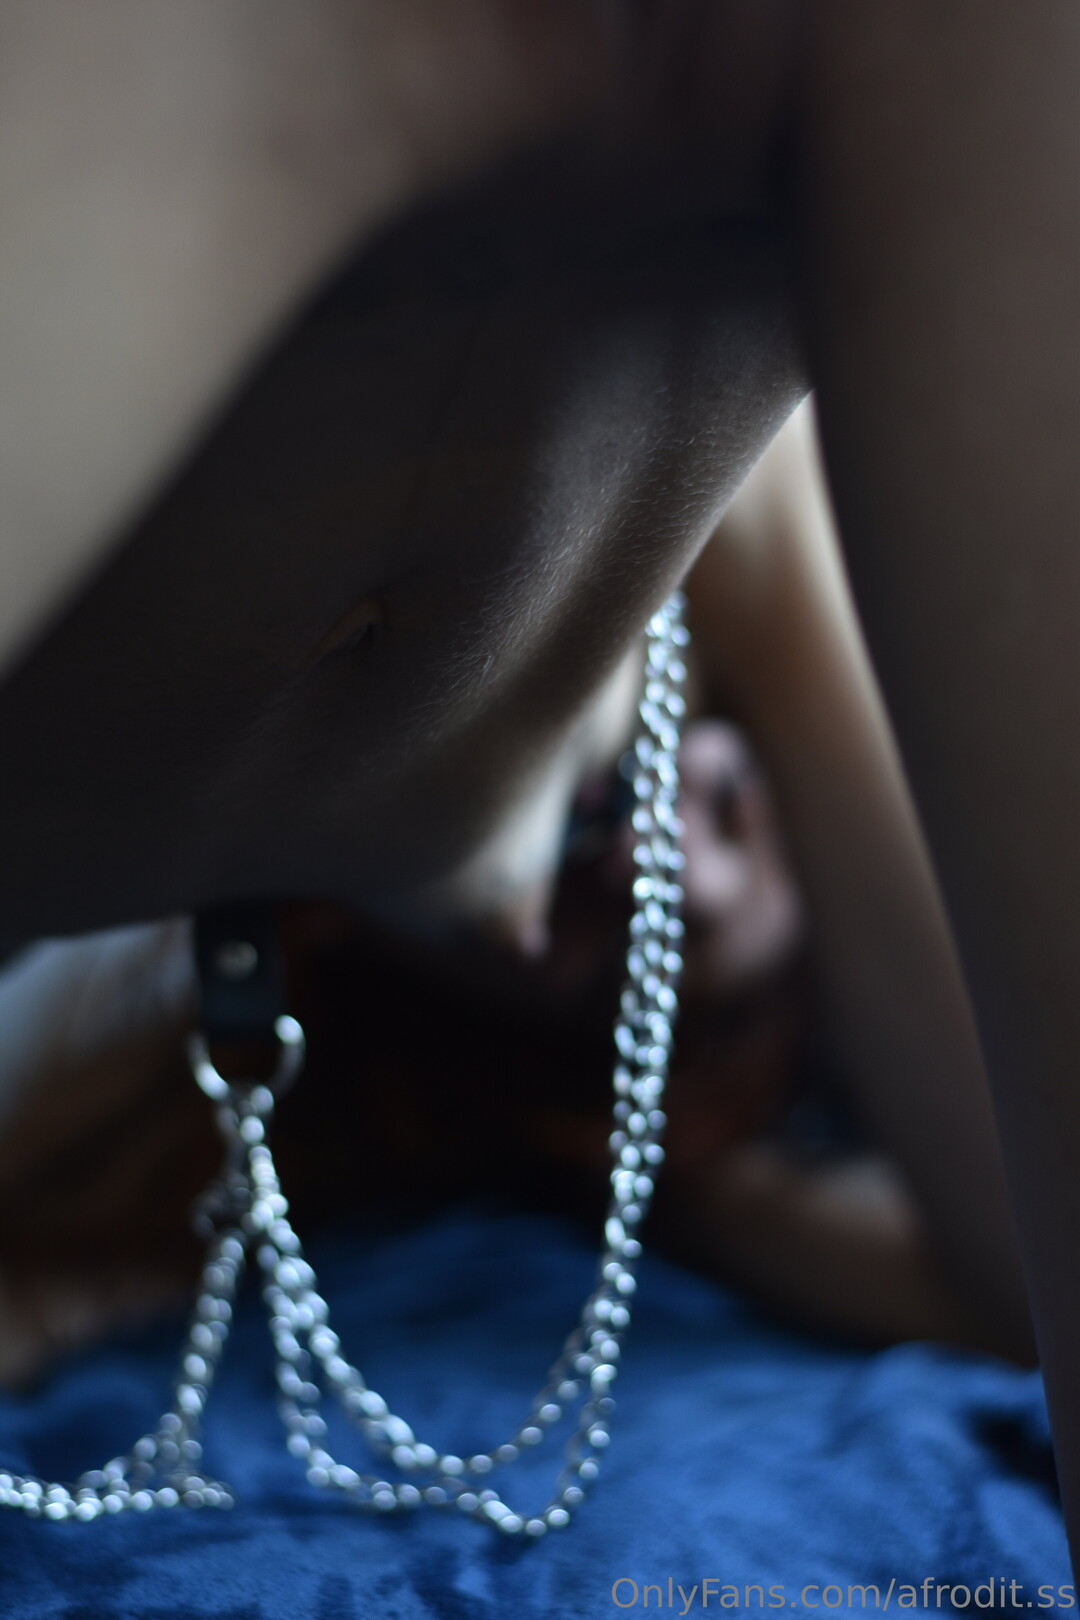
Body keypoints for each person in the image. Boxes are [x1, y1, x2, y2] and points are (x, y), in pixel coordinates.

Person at [1, 0, 1078, 1569]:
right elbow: (1007, 1241)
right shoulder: (736, 536)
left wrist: (683, 1188)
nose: (660, 870)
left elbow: (998, 1255)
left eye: (615, 952)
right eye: (728, 815)